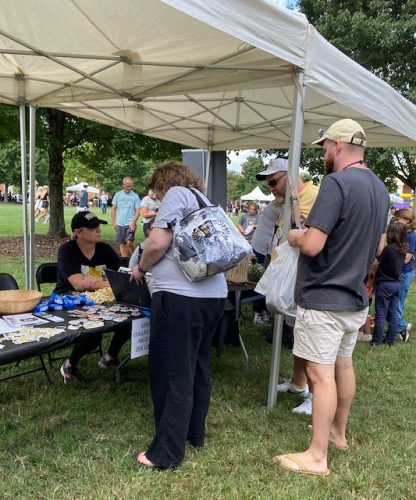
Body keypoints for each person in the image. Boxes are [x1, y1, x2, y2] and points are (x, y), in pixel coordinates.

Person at [274, 119, 389, 476]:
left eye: (325, 147)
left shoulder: (336, 183)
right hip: (355, 298)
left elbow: (312, 244)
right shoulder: (381, 189)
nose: (323, 153)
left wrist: (295, 236)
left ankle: (317, 456)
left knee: (319, 374)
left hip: (324, 297)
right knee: (343, 366)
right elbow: (380, 246)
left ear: (338, 146)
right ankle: (338, 434)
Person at [130, 160, 227, 469]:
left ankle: (166, 453)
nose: (157, 199)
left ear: (164, 184)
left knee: (172, 372)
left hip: (180, 297)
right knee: (197, 368)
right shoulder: (203, 199)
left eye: (157, 193)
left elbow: (158, 243)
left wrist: (141, 267)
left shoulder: (176, 196)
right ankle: (192, 434)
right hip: (212, 297)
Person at [256, 157, 319, 415]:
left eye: (273, 182)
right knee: (297, 334)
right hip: (294, 278)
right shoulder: (286, 201)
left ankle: (316, 395)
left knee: (313, 339)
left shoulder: (313, 196)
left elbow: (308, 236)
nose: (271, 188)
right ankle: (298, 383)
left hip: (309, 278)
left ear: (288, 177)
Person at [56, 211, 131, 382]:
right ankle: (69, 364)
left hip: (100, 301)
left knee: (129, 320)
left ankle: (109, 358)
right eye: (92, 227)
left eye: (98, 226)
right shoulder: (67, 251)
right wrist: (106, 280)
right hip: (69, 303)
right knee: (94, 334)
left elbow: (121, 277)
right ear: (78, 232)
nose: (98, 229)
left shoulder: (104, 249)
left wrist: (94, 281)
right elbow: (77, 284)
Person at [369, 223, 407, 347]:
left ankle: (377, 341)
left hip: (384, 284)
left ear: (391, 234)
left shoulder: (388, 249)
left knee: (381, 313)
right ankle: (390, 340)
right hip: (396, 284)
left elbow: (376, 263)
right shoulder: (403, 249)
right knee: (393, 314)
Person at [393, 208, 416, 342]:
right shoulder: (403, 233)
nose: (395, 221)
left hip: (404, 273)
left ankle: (402, 326)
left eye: (398, 219)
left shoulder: (412, 236)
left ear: (407, 220)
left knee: (397, 303)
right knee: (396, 302)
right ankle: (398, 329)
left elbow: (407, 258)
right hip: (400, 272)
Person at [111, 177, 141, 258]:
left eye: (130, 186)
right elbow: (113, 209)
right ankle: (125, 261)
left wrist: (133, 222)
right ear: (123, 185)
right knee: (122, 244)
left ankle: (137, 256)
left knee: (129, 242)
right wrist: (113, 222)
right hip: (119, 223)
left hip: (130, 223)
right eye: (127, 186)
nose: (129, 188)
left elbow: (138, 211)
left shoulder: (135, 196)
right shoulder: (117, 195)